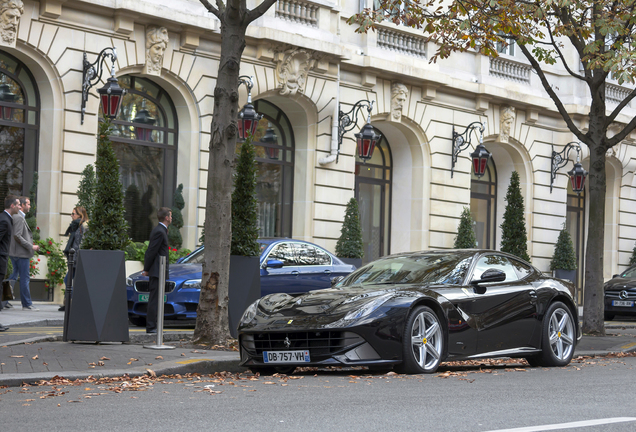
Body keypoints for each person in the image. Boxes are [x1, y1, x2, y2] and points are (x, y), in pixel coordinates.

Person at [142, 207, 171, 334]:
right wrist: (146, 269)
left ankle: (155, 326)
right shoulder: (160, 231)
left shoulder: (162, 230)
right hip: (157, 270)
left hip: (159, 269)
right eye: (170, 216)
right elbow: (151, 251)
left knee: (158, 298)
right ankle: (151, 326)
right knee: (155, 299)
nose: (171, 218)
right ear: (166, 217)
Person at [8, 196, 39, 311]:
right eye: (28, 204)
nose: (30, 206)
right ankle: (27, 304)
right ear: (22, 205)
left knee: (13, 277)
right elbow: (17, 235)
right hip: (21, 254)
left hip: (15, 253)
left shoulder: (15, 216)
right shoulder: (19, 218)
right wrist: (31, 246)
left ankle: (4, 300)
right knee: (24, 279)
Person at [60, 206, 89, 311]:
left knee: (69, 280)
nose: (71, 216)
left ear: (80, 215)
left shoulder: (84, 226)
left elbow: (83, 244)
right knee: (69, 281)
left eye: (73, 214)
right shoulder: (76, 226)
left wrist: (80, 257)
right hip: (74, 258)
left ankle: (71, 303)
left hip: (78, 259)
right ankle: (68, 303)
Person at [0, 195, 20, 331]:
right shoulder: (5, 220)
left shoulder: (5, 218)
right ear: (12, 206)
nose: (20, 206)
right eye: (18, 204)